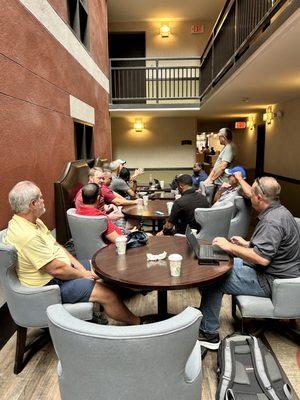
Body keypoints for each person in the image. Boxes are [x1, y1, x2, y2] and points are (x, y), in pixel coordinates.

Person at [4, 181, 142, 325]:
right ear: (32, 204)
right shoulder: (27, 236)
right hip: (49, 286)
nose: (43, 200)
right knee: (108, 294)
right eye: (40, 198)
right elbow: (55, 269)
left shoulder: (33, 222)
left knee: (103, 268)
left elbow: (56, 246)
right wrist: (83, 274)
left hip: (60, 271)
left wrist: (80, 267)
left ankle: (93, 313)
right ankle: (138, 323)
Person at [198, 177, 300, 350]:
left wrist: (229, 246)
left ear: (259, 197)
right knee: (216, 264)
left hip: (271, 280)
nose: (249, 196)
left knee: (214, 279)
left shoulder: (272, 221)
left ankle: (210, 334)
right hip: (274, 272)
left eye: (251, 193)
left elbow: (262, 258)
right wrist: (247, 244)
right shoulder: (280, 211)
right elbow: (271, 247)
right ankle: (207, 312)